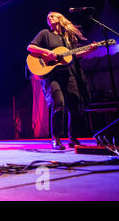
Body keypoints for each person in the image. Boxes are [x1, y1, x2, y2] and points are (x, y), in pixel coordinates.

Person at [27, 11, 96, 150]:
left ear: (60, 19)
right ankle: (56, 138)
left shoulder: (67, 37)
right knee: (59, 104)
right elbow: (30, 47)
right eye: (47, 17)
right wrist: (47, 52)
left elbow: (74, 53)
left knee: (75, 104)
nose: (49, 18)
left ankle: (73, 138)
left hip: (69, 74)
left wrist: (89, 50)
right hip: (52, 76)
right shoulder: (45, 33)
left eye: (52, 16)